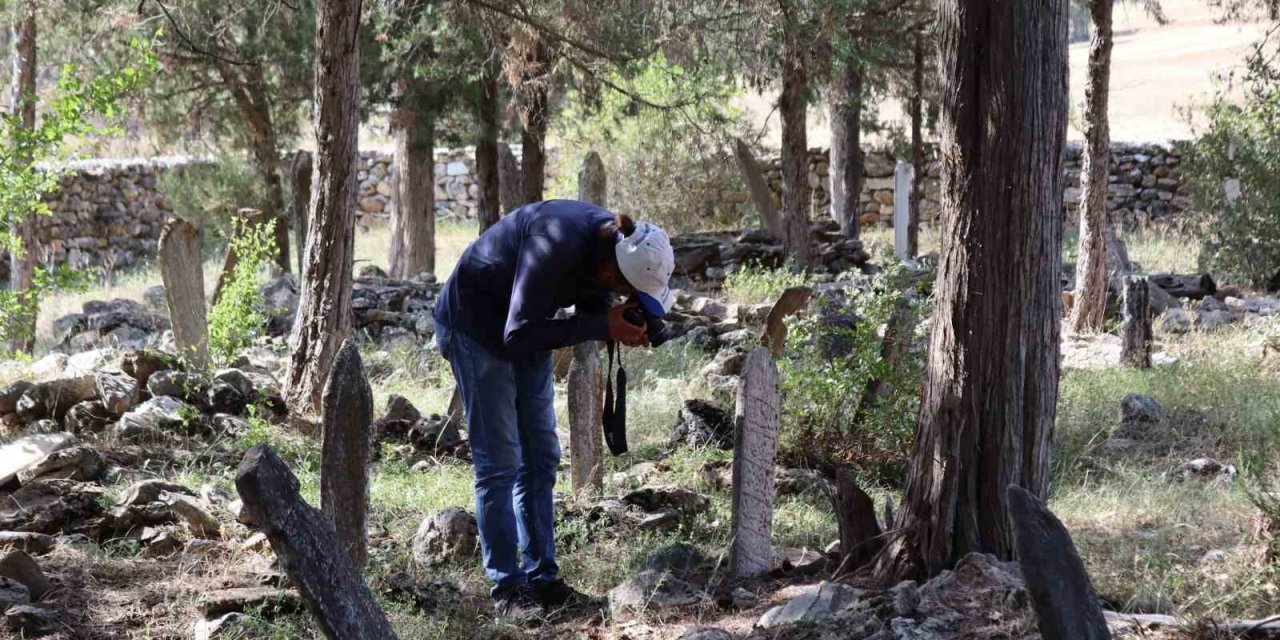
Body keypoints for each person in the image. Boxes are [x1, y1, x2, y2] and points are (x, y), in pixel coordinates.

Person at [433, 199, 676, 618]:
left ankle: (543, 580)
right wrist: (604, 324)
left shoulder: (614, 248)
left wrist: (620, 324)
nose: (625, 297)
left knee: (542, 457)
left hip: (528, 327)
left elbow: (578, 308)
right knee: (500, 462)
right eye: (627, 291)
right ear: (610, 272)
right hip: (476, 328)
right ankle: (508, 589)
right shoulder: (555, 241)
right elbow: (517, 334)